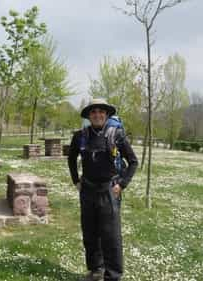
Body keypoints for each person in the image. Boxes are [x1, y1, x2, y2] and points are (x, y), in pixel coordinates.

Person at [68, 99, 138, 281]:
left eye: (101, 112)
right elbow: (71, 158)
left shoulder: (117, 134)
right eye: (93, 112)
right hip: (87, 191)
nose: (97, 115)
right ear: (89, 116)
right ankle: (95, 270)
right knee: (90, 233)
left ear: (106, 114)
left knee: (111, 236)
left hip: (109, 191)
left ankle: (113, 276)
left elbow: (133, 162)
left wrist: (121, 184)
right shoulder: (80, 136)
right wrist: (76, 180)